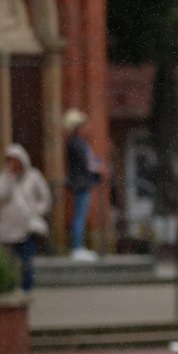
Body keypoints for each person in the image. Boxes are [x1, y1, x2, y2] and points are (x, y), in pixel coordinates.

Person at [0, 143, 51, 292]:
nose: (12, 163)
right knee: (9, 262)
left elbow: (45, 198)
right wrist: (10, 179)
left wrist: (37, 210)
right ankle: (11, 290)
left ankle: (26, 289)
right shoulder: (4, 177)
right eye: (10, 160)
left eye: (15, 160)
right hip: (8, 228)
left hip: (27, 228)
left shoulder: (33, 176)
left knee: (26, 261)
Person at [63, 109, 103, 260]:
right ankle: (77, 247)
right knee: (80, 216)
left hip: (81, 183)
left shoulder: (77, 142)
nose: (87, 128)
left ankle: (78, 247)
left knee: (80, 215)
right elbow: (88, 163)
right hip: (81, 184)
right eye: (84, 125)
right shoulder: (77, 143)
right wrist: (99, 168)